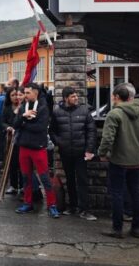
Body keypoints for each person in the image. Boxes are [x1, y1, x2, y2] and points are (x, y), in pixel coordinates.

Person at [97, 83, 139, 239]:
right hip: (136, 160)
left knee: (117, 193)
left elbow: (107, 138)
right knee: (136, 192)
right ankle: (137, 228)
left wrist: (102, 153)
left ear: (117, 97)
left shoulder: (114, 114)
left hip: (119, 159)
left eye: (113, 96)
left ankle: (117, 229)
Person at [50, 86, 97, 220]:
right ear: (66, 98)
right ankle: (73, 206)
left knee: (82, 180)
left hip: (81, 152)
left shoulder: (84, 111)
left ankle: (85, 209)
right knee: (69, 180)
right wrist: (59, 142)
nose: (76, 98)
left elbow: (91, 131)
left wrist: (89, 149)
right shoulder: (57, 113)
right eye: (73, 96)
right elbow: (52, 131)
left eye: (76, 96)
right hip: (66, 152)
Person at [13, 83, 58, 217]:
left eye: (27, 93)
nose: (24, 96)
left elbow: (40, 128)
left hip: (38, 147)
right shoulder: (23, 108)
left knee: (44, 178)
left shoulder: (43, 107)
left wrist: (24, 123)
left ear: (36, 92)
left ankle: (52, 205)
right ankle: (28, 203)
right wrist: (23, 116)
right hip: (24, 147)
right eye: (24, 93)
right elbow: (15, 125)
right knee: (26, 177)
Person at [0, 87, 24, 194]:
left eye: (17, 95)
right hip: (10, 139)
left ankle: (23, 186)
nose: (15, 97)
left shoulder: (24, 107)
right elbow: (2, 122)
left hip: (22, 138)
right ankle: (13, 185)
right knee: (12, 163)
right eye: (12, 95)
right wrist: (7, 128)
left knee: (22, 163)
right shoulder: (7, 108)